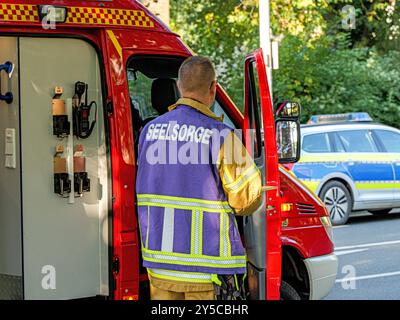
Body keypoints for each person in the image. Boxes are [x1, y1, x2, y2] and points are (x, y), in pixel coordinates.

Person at [136, 56, 262, 300]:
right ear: (213, 88)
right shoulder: (221, 136)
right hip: (208, 270)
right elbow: (245, 200)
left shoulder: (149, 132)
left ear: (180, 86)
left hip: (160, 266)